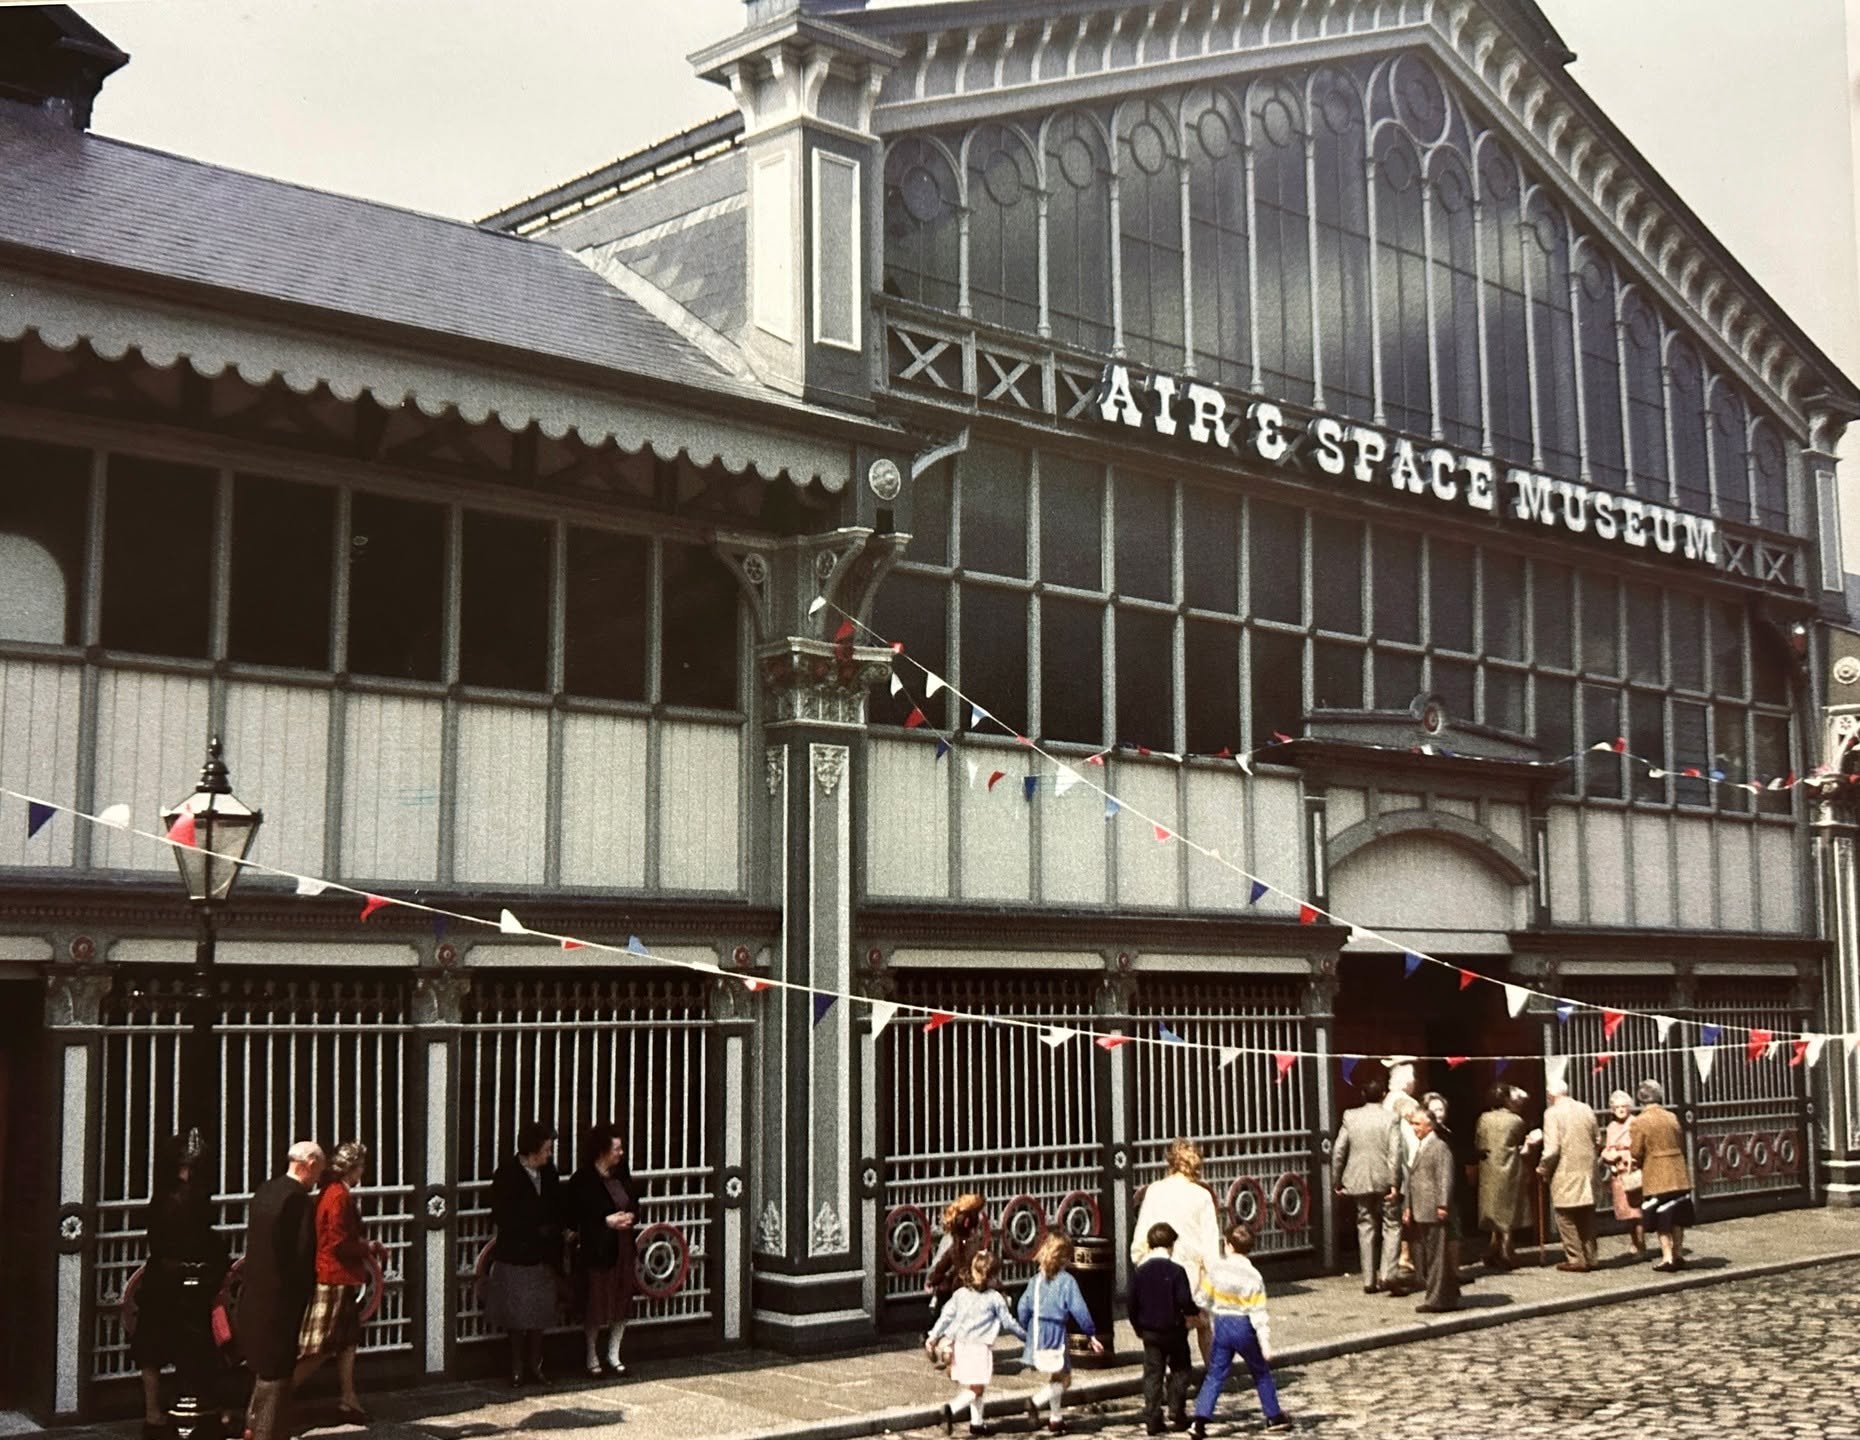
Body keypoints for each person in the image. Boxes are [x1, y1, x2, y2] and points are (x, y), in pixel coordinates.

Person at [132, 1131, 229, 1440]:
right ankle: (197, 1410)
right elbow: (203, 1238)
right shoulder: (193, 1197)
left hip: (159, 1275)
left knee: (151, 1346)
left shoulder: (159, 1196)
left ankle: (153, 1413)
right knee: (193, 1347)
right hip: (185, 1281)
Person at [238, 1140, 323, 1440]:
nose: (318, 1179)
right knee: (277, 1371)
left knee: (263, 1367)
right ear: (310, 1164)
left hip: (255, 1293)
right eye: (318, 1171)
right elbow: (301, 1255)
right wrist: (306, 1293)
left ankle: (253, 1425)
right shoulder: (297, 1200)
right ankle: (265, 1431)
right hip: (281, 1297)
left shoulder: (266, 1191)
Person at [294, 1141, 381, 1423]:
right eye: (361, 1167)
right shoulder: (339, 1197)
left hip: (334, 1276)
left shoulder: (328, 1193)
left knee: (346, 1342)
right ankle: (276, 1396)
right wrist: (368, 1246)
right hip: (336, 1278)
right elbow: (339, 1244)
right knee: (322, 1347)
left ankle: (348, 1397)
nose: (363, 1173)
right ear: (353, 1169)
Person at [1188, 1221, 1291, 1437]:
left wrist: (1209, 1307)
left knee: (1215, 1374)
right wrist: (1265, 1343)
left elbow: (1201, 1298)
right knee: (1260, 1372)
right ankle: (1273, 1415)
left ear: (1227, 1245)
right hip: (1244, 1325)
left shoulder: (1216, 1270)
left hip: (1223, 1324)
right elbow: (1259, 1311)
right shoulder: (1254, 1276)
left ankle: (1199, 1421)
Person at [1129, 1139, 1222, 1361]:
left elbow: (1141, 1235)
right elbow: (1210, 1246)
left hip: (1157, 1270)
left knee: (1162, 1327)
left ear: (1170, 1162)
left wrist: (1142, 1262)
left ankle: (1163, 1376)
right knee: (1203, 1325)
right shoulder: (1202, 1196)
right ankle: (1212, 1376)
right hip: (1191, 1275)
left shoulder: (1154, 1190)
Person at [486, 1120, 564, 1388]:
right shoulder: (506, 1174)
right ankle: (517, 1366)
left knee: (540, 1314)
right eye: (546, 1149)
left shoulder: (549, 1173)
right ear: (532, 1151)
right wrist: (533, 1227)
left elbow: (556, 1204)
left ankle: (536, 1363)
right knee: (517, 1316)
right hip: (517, 1253)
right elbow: (501, 1214)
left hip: (543, 1254)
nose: (550, 1155)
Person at [566, 1121, 643, 1378]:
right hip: (599, 1249)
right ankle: (591, 1355)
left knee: (622, 1300)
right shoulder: (583, 1179)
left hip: (622, 1247)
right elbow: (578, 1216)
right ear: (602, 1150)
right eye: (616, 1149)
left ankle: (614, 1354)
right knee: (596, 1303)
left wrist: (631, 1216)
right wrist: (605, 1222)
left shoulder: (622, 1174)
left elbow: (634, 1202)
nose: (621, 1154)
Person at [926, 1250, 1026, 1439]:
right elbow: (1009, 1323)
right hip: (979, 1348)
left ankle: (977, 1423)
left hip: (961, 1346)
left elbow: (945, 1316)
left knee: (975, 1386)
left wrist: (933, 1336)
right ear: (994, 1276)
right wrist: (1026, 1337)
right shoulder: (995, 1298)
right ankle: (950, 1409)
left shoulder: (961, 1294)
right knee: (977, 1388)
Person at [1014, 1232, 1103, 1435]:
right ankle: (1035, 1402)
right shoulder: (1067, 1282)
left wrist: (1027, 1326)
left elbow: (1023, 1307)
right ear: (1064, 1257)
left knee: (1056, 1375)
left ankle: (1056, 1418)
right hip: (1055, 1332)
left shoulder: (1036, 1280)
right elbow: (1079, 1309)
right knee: (1065, 1378)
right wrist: (1090, 1333)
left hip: (1037, 1331)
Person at [1127, 1222, 1201, 1437]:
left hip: (1150, 1331)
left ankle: (1152, 1416)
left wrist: (1137, 1326)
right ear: (1171, 1246)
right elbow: (1184, 1300)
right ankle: (1177, 1413)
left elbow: (1132, 1303)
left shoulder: (1140, 1272)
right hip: (1174, 1330)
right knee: (1180, 1369)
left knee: (1152, 1374)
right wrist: (1193, 1312)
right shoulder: (1176, 1271)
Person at [1332, 1074, 1403, 1294]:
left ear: (1363, 1095)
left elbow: (1339, 1150)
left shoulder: (1351, 1117)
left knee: (1365, 1225)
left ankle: (1368, 1279)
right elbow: (1395, 1152)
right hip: (1383, 1178)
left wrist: (1337, 1179)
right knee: (1391, 1224)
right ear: (1383, 1095)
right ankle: (1388, 1274)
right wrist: (1395, 1182)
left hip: (1358, 1178)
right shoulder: (1391, 1118)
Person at [1628, 1079, 1694, 1272]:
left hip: (1656, 1172)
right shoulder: (1671, 1117)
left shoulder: (1640, 1121)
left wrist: (1637, 1162)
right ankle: (1678, 1253)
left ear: (1641, 1098)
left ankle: (1666, 1257)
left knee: (1661, 1216)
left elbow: (1636, 1151)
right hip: (1677, 1170)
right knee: (1677, 1213)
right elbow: (1680, 1141)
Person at [1537, 1079, 1600, 1272]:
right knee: (1586, 1214)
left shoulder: (1552, 1113)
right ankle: (1591, 1257)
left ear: (1550, 1095)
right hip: (1588, 1170)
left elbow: (1552, 1149)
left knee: (1565, 1215)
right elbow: (1597, 1138)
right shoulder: (1585, 1108)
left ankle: (1575, 1258)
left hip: (1565, 1171)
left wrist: (1542, 1168)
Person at [1402, 1106, 1457, 1313]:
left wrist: (1443, 1204)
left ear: (1429, 1125)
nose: (1414, 1127)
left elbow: (1445, 1177)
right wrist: (1408, 1206)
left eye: (1417, 1123)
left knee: (1435, 1256)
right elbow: (1412, 1179)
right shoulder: (1422, 1145)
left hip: (1433, 1207)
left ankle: (1436, 1299)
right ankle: (1449, 1294)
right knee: (1432, 1254)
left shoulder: (1439, 1146)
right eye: (1413, 1123)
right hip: (1420, 1207)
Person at [1474, 1084, 1531, 1269]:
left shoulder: (1483, 1119)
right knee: (1508, 1208)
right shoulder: (1515, 1121)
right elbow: (1521, 1142)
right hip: (1510, 1168)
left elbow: (1478, 1141)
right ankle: (1506, 1248)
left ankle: (1493, 1246)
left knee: (1492, 1208)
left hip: (1488, 1168)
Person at [926, 1194, 991, 1318]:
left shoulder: (957, 1241)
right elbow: (941, 1265)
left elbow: (941, 1266)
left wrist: (934, 1279)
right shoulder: (959, 1242)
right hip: (962, 1288)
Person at [1600, 1090, 1646, 1259]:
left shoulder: (1635, 1123)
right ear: (1612, 1109)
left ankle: (1641, 1245)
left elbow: (1639, 1146)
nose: (1620, 1110)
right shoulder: (1612, 1126)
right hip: (1617, 1170)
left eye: (1624, 1106)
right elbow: (1607, 1147)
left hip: (1631, 1169)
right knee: (1625, 1211)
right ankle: (1633, 1242)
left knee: (1636, 1210)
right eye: (1617, 1107)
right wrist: (1608, 1155)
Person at [1385, 1063, 1420, 1279]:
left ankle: (1400, 1255)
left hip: (1390, 1164)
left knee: (1395, 1215)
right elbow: (1412, 1138)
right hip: (1406, 1164)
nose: (1415, 1082)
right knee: (1408, 1212)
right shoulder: (1407, 1103)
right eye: (1413, 1077)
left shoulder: (1388, 1100)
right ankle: (1406, 1255)